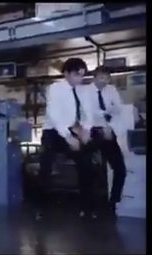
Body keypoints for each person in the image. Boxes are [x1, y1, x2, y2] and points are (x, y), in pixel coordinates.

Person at [37, 58, 96, 220]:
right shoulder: (55, 89)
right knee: (46, 166)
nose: (80, 79)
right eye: (77, 75)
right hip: (53, 131)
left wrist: (86, 129)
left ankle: (87, 207)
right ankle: (40, 207)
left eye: (82, 75)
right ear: (66, 73)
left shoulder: (83, 90)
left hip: (73, 130)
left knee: (86, 163)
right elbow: (54, 115)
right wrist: (68, 137)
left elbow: (88, 112)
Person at [86, 66, 126, 216]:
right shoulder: (85, 92)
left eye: (107, 78)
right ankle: (89, 204)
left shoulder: (111, 90)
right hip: (91, 131)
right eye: (101, 78)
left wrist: (109, 124)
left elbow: (119, 109)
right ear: (94, 77)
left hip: (109, 130)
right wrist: (105, 114)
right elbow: (88, 113)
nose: (104, 81)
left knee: (120, 168)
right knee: (89, 168)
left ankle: (113, 201)